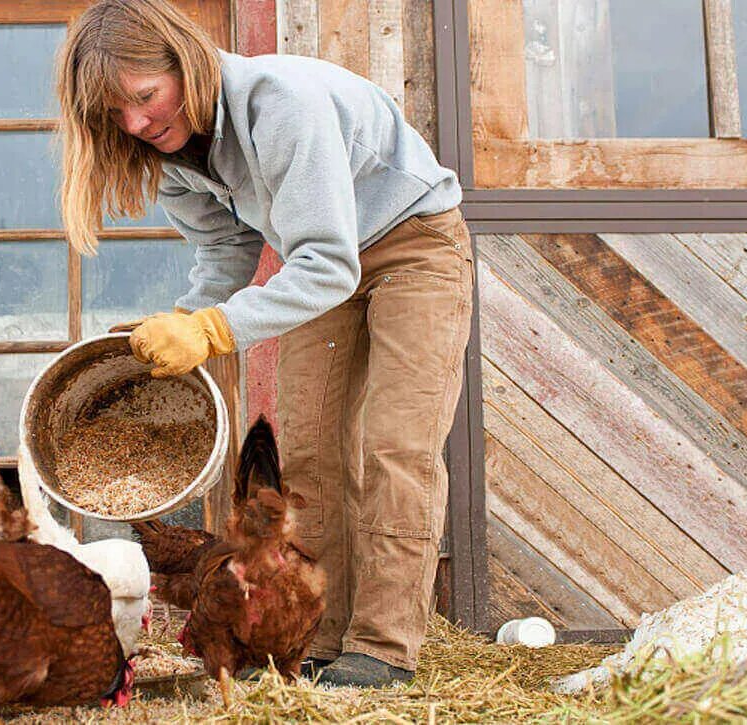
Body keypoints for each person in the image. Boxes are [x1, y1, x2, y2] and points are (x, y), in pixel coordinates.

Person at [56, 0, 473, 688]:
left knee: (398, 444)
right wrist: (182, 323)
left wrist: (213, 330)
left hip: (412, 245)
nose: (136, 123)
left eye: (145, 97)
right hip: (317, 264)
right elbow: (226, 250)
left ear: (183, 63)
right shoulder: (173, 152)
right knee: (306, 455)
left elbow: (327, 263)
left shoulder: (282, 107)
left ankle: (384, 647)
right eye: (116, 115)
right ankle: (319, 638)